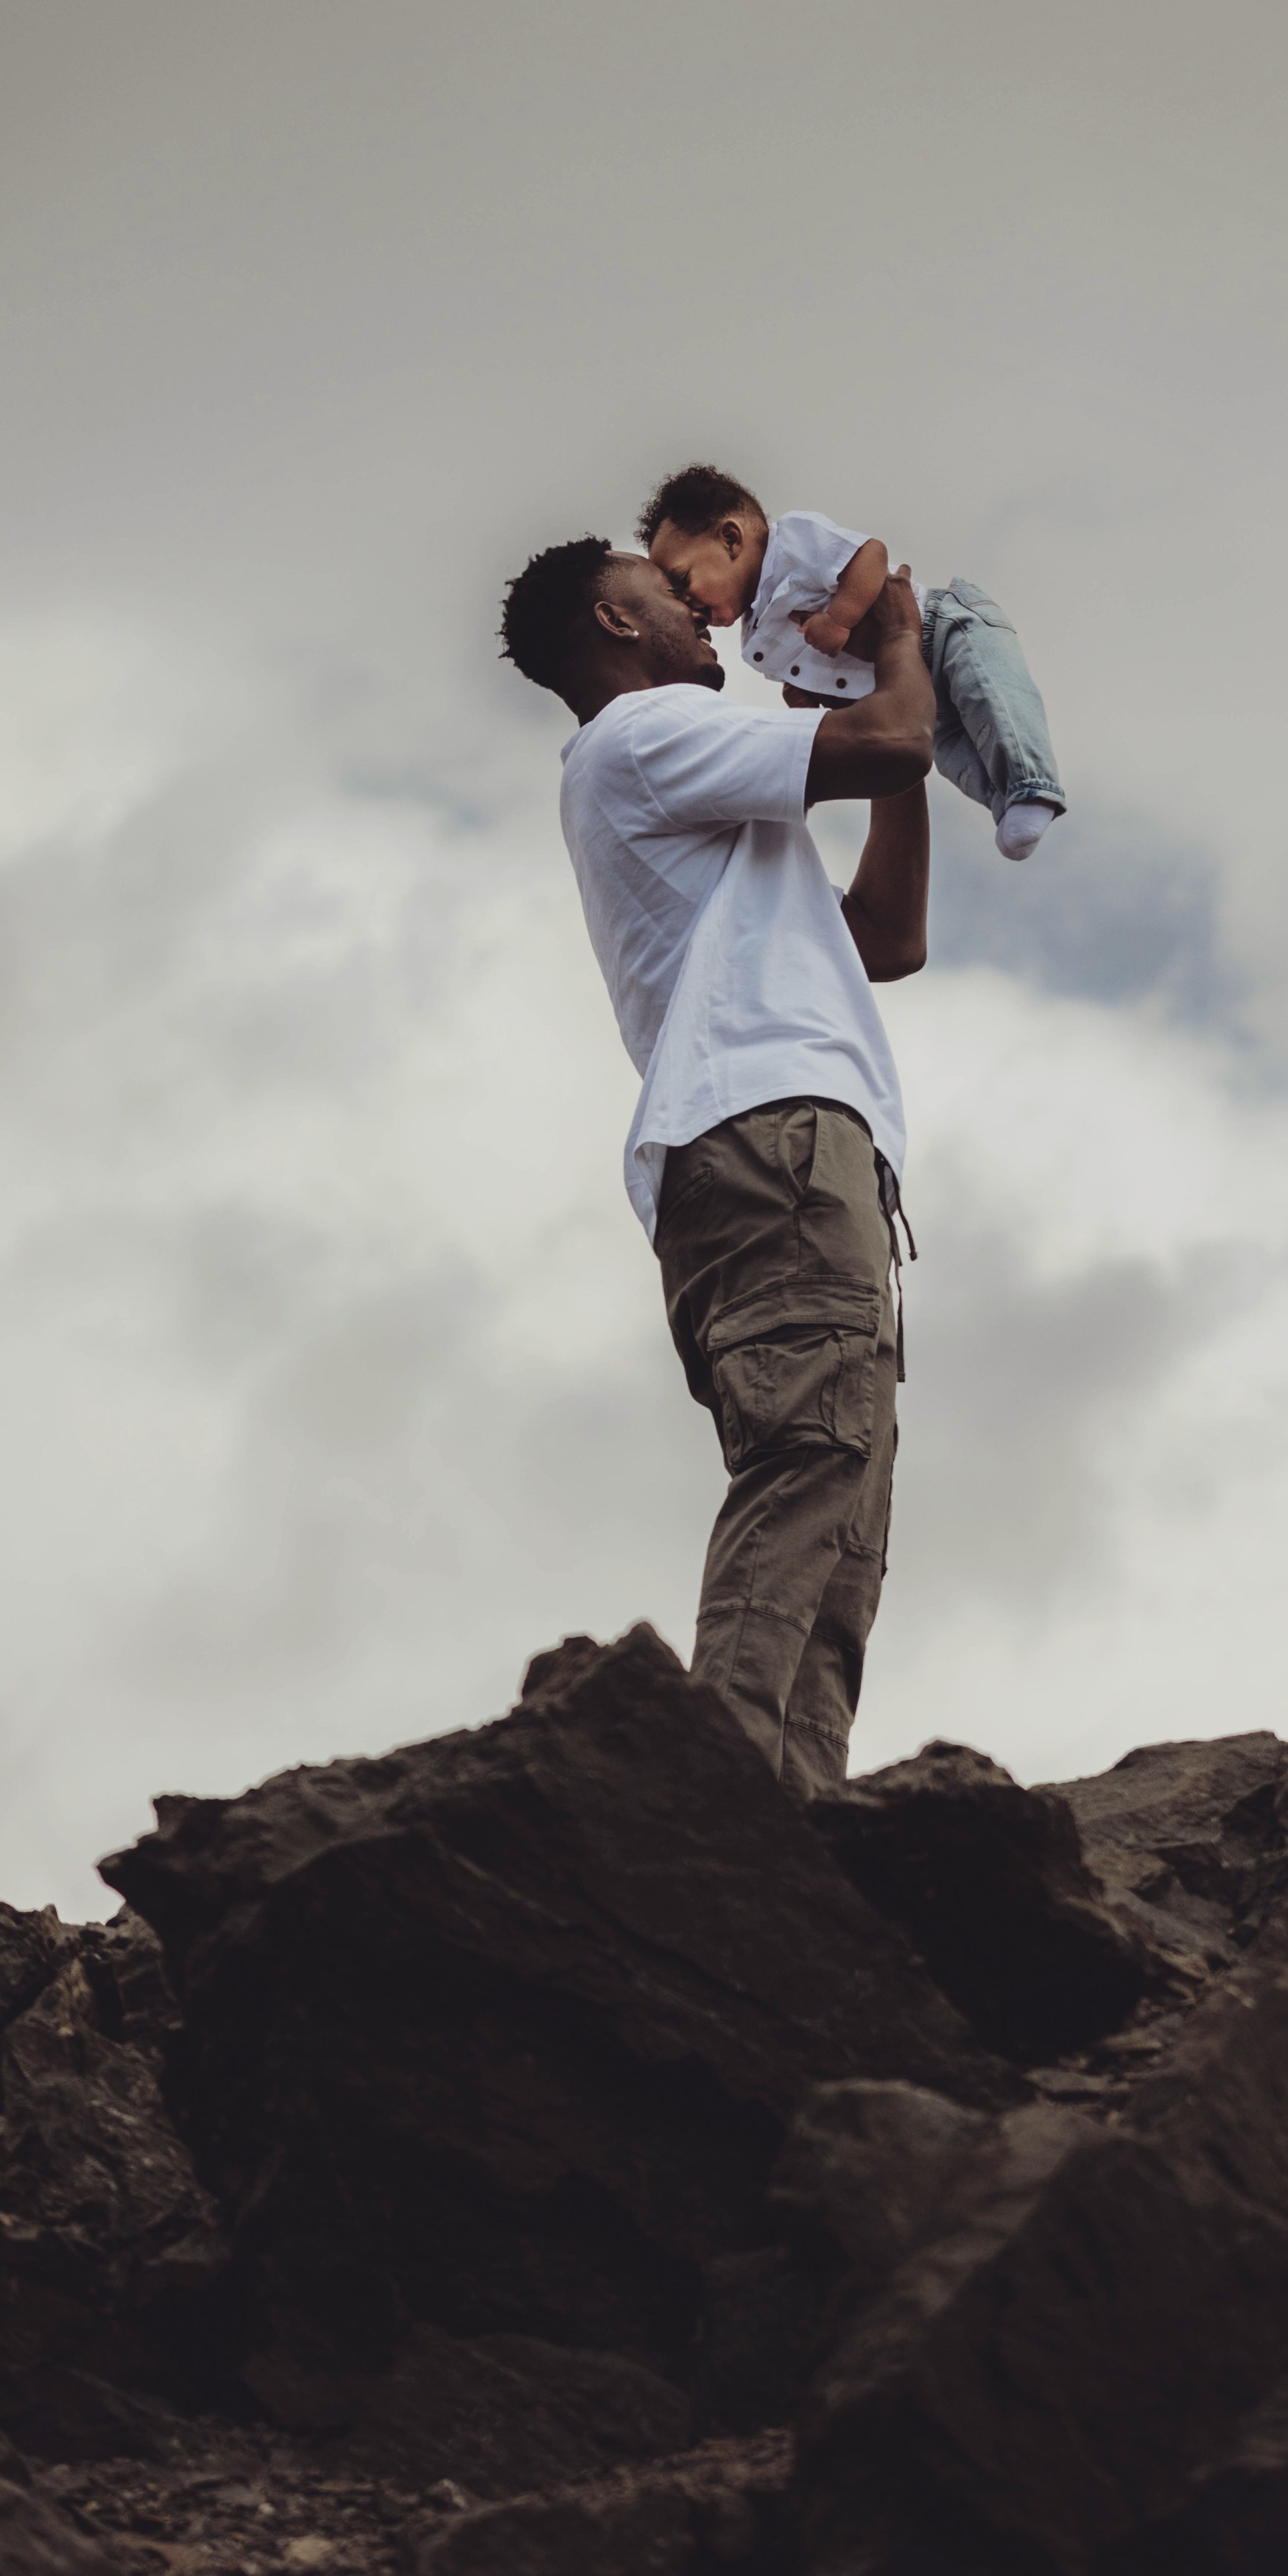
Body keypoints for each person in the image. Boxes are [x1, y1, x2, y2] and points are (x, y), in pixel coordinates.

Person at [498, 531, 934, 1799]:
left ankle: (790, 1823)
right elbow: (896, 745)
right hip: (771, 1137)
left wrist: (871, 717)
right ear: (615, 624)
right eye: (664, 590)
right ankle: (720, 1792)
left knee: (844, 1508)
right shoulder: (640, 739)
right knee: (813, 1456)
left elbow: (888, 938)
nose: (699, 609)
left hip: (783, 1142)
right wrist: (896, 653)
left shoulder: (688, 785)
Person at [637, 463, 1066, 863]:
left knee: (992, 697)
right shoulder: (754, 639)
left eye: (681, 580)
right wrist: (806, 695)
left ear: (731, 539)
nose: (687, 605)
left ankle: (1033, 787)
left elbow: (870, 555)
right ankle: (1003, 800)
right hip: (910, 687)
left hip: (944, 627)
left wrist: (840, 618)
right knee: (952, 750)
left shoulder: (791, 543)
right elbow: (821, 671)